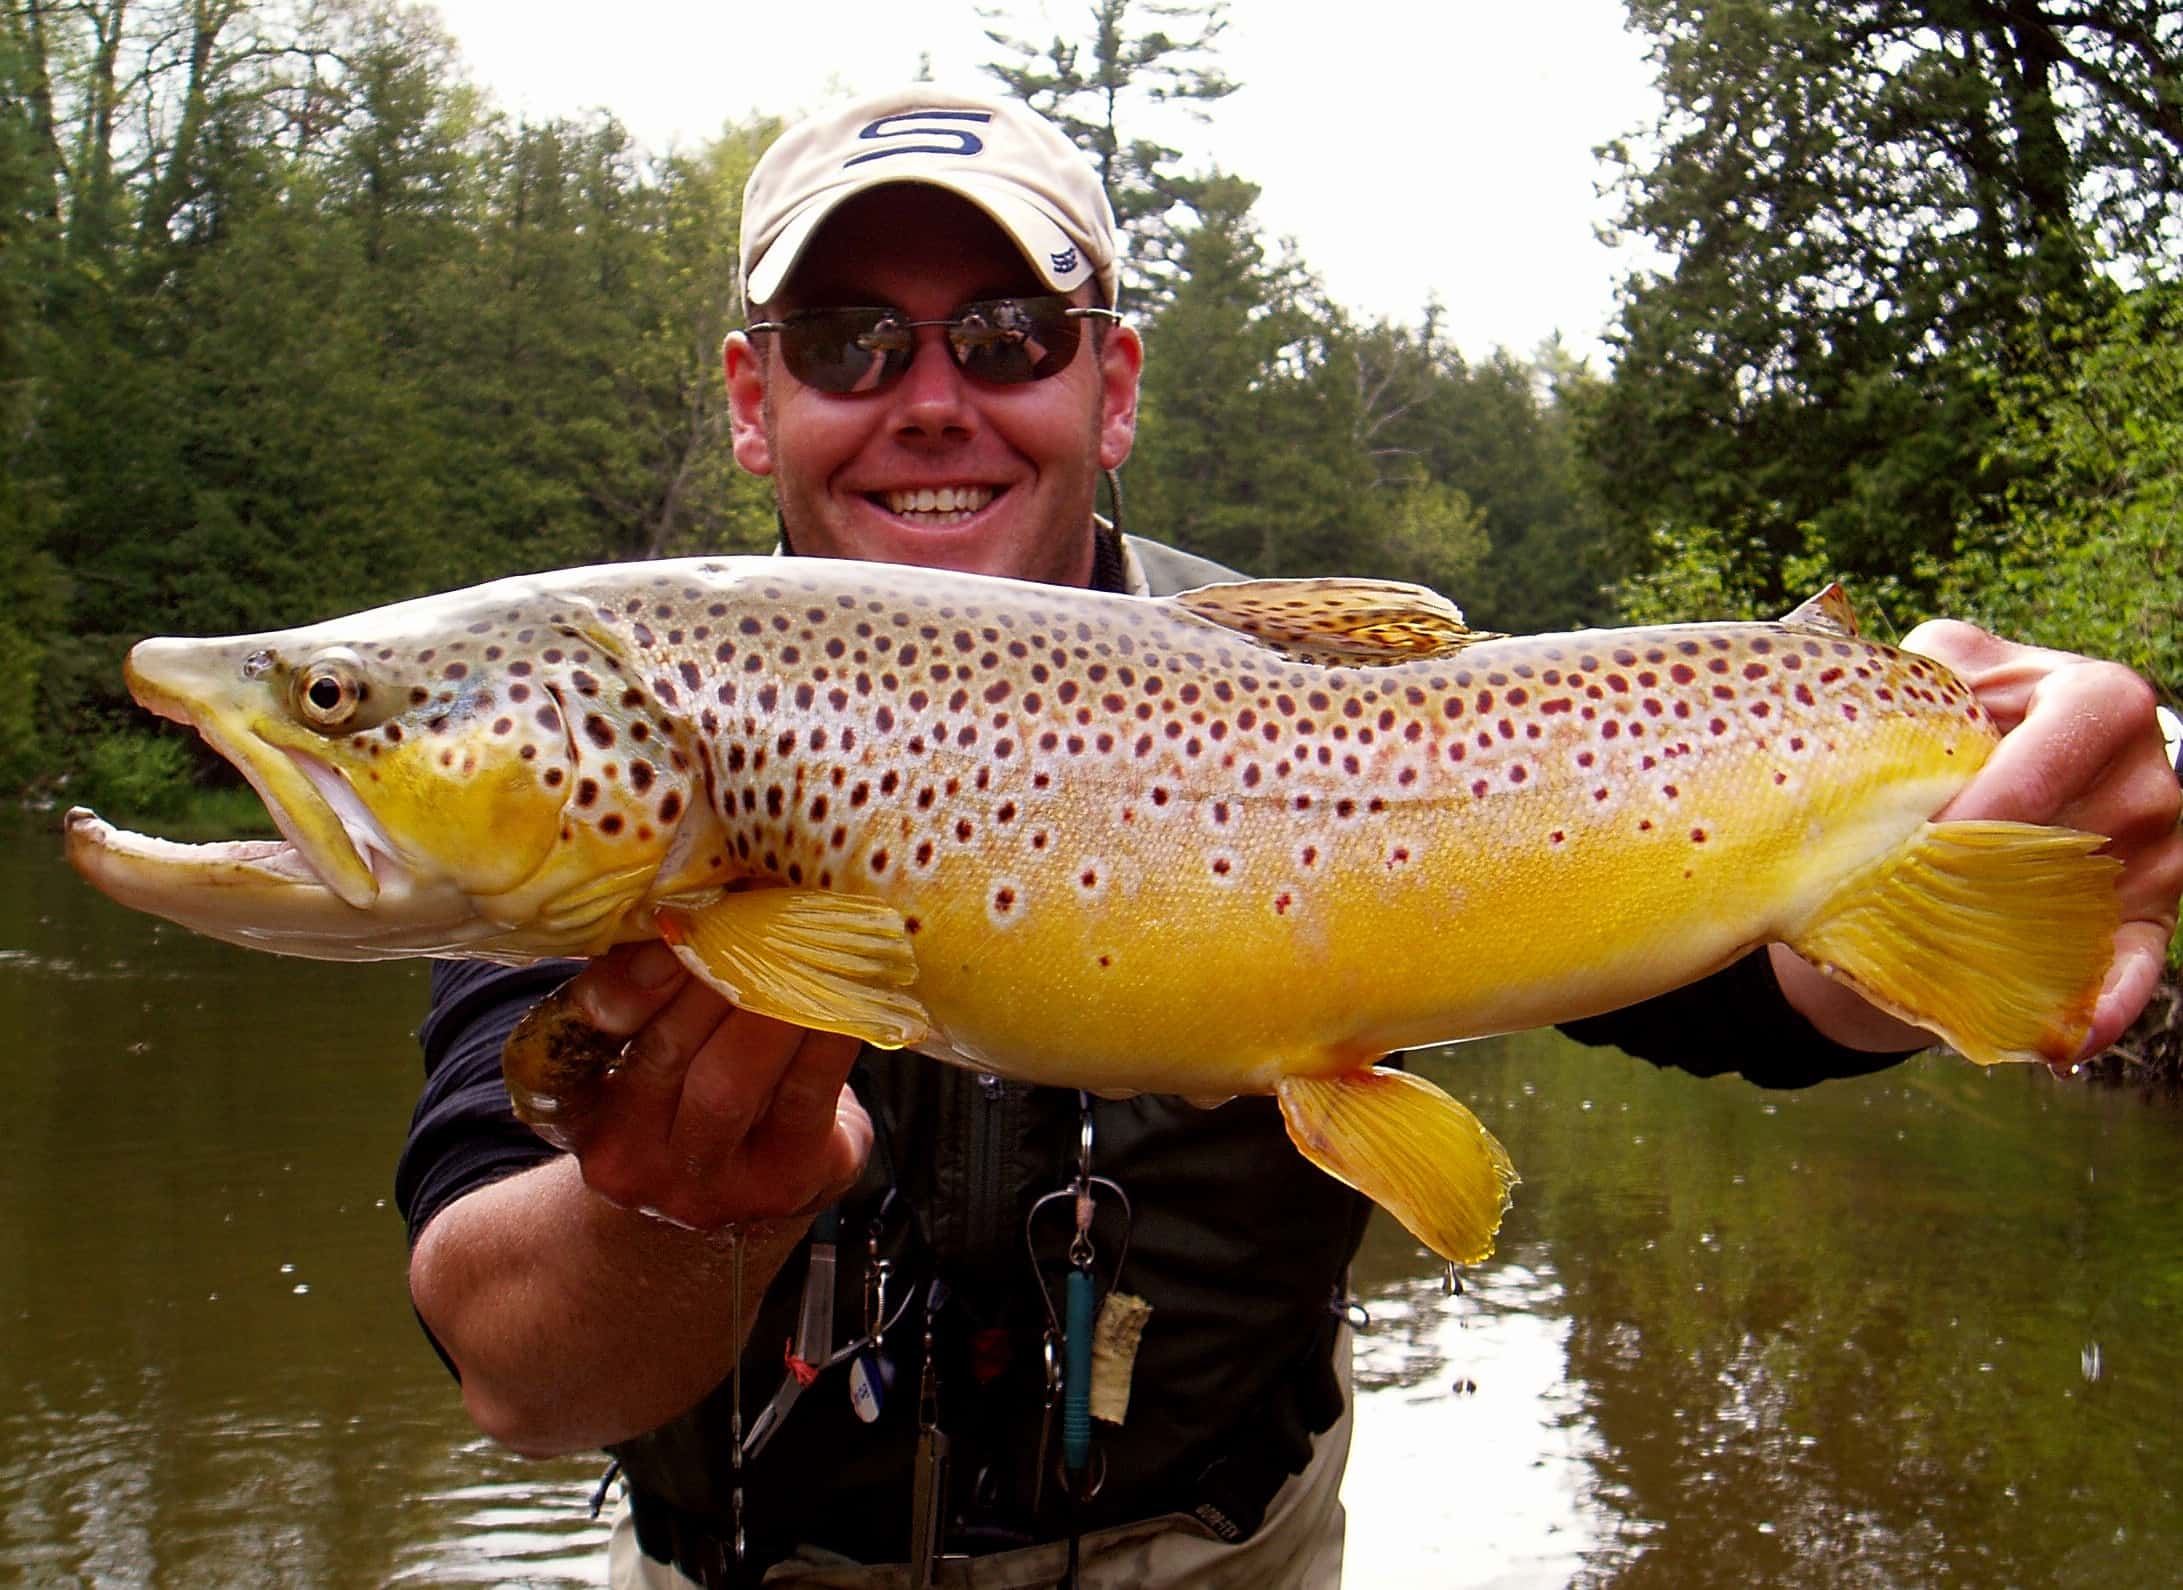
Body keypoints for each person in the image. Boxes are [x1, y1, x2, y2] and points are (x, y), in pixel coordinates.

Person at [395, 87, 2183, 1589]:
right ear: (746, 394)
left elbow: (1758, 986)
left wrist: (2043, 809)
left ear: (1112, 386)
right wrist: (666, 1208)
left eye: (1011, 332)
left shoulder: (1317, 699)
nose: (931, 393)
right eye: (849, 339)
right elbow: (512, 1359)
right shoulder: (637, 722)